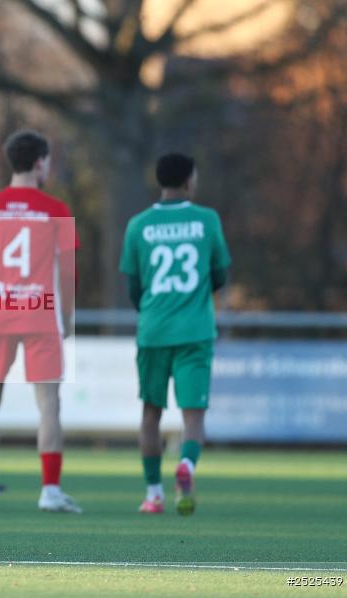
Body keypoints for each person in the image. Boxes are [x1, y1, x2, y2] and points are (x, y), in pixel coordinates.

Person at [0, 130, 81, 513]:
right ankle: (50, 491)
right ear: (40, 162)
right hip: (41, 315)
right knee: (49, 402)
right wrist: (67, 316)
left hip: (0, 315)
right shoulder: (55, 210)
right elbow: (70, 272)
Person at [119, 152, 231, 516]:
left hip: (153, 330)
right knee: (193, 416)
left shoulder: (138, 225)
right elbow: (220, 276)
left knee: (150, 413)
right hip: (195, 330)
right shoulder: (207, 219)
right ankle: (187, 465)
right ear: (189, 182)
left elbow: (133, 287)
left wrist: (152, 310)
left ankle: (153, 494)